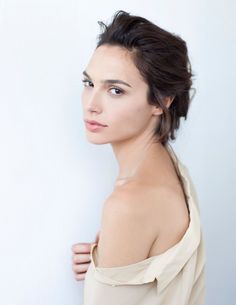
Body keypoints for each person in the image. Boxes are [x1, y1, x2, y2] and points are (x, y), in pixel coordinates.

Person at [71, 10, 206, 305]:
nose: (91, 105)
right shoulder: (168, 169)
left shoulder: (129, 203)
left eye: (115, 90)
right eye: (89, 83)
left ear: (161, 100)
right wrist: (102, 266)